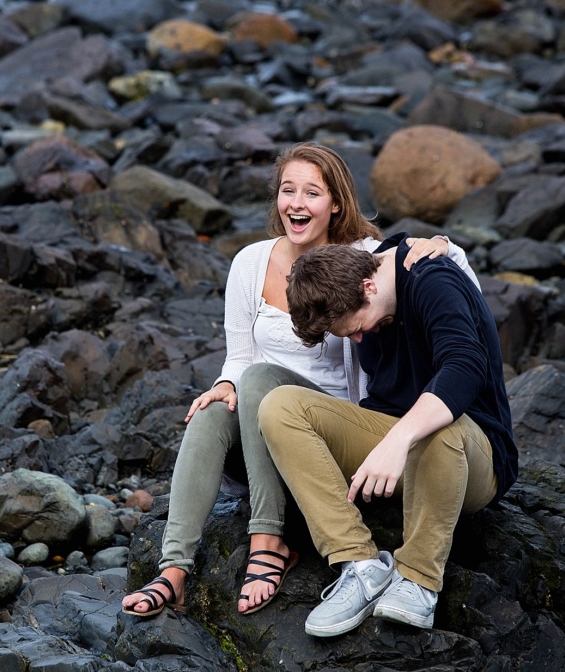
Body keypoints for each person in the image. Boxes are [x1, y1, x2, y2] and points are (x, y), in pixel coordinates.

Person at [121, 143, 481, 618]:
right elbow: (239, 357)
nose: (296, 203)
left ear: (335, 203)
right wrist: (225, 383)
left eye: (312, 193)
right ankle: (174, 570)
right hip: (259, 415)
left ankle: (269, 539)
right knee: (220, 402)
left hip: (326, 424)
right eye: (288, 190)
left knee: (258, 383)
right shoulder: (250, 263)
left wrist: (442, 244)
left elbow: (433, 275)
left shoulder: (363, 261)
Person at [257, 234, 517, 637]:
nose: (360, 339)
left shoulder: (433, 278)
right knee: (280, 406)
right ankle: (361, 566)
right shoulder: (370, 279)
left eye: (358, 329)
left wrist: (398, 441)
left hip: (473, 455)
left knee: (438, 424)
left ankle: (418, 580)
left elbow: (465, 367)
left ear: (369, 285)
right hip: (400, 450)